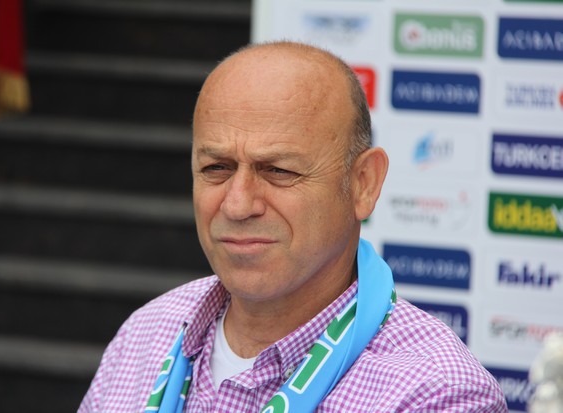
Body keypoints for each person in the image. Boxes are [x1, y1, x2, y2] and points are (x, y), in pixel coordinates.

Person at [79, 42, 507, 412]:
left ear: (364, 184)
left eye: (279, 170)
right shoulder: (145, 334)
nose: (238, 204)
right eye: (216, 168)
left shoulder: (436, 394)